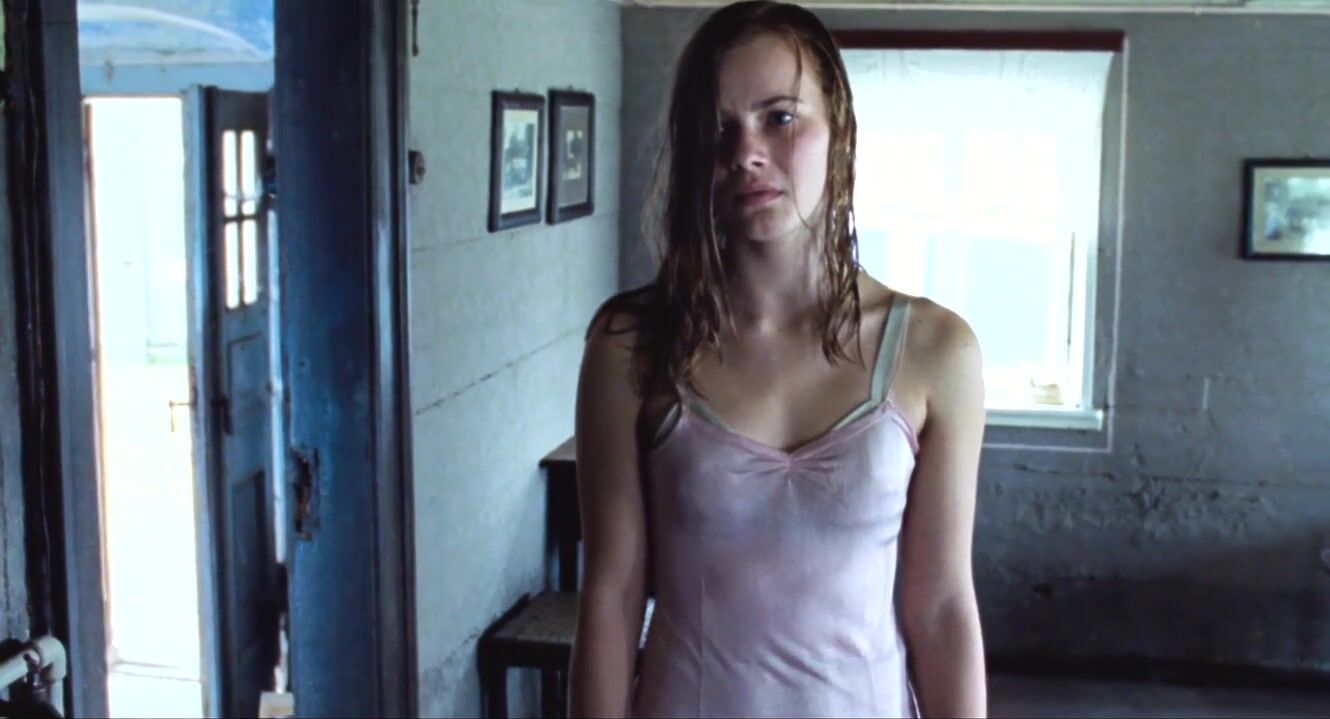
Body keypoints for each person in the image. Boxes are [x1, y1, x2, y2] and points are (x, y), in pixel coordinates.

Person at [567, 2, 987, 716]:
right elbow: (611, 593)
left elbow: (942, 605)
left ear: (839, 130)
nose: (746, 153)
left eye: (780, 118)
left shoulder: (934, 350)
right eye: (718, 128)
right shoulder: (631, 342)